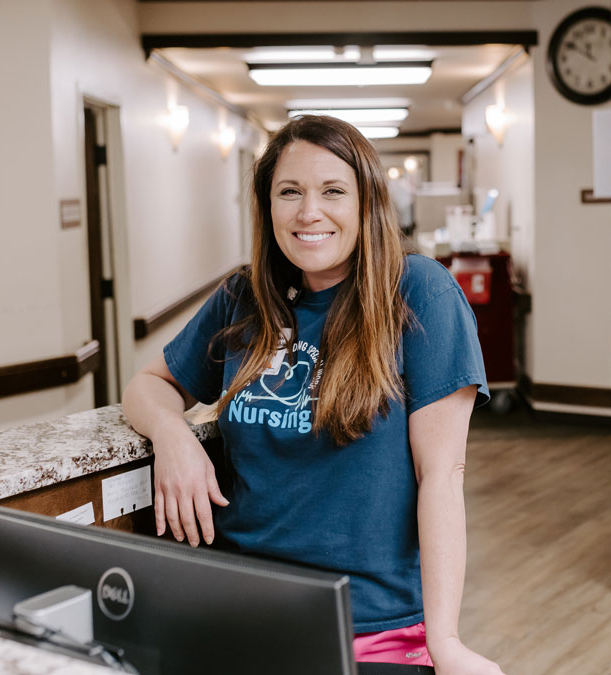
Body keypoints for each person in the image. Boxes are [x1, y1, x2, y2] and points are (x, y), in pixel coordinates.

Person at [121, 114, 504, 674]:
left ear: (366, 203)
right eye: (289, 192)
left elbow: (442, 476)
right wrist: (171, 433)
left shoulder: (420, 292)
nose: (308, 213)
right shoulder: (242, 296)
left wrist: (444, 641)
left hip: (367, 628)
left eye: (332, 191)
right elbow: (148, 383)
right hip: (235, 610)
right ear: (267, 205)